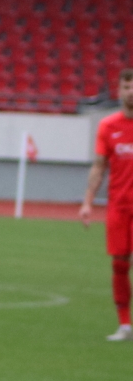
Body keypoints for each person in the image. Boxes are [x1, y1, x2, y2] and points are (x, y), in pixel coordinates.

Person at [82, 67, 133, 341]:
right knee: (119, 264)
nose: (131, 92)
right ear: (119, 90)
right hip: (119, 207)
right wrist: (88, 202)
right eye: (126, 87)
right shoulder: (108, 126)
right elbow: (99, 166)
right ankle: (124, 325)